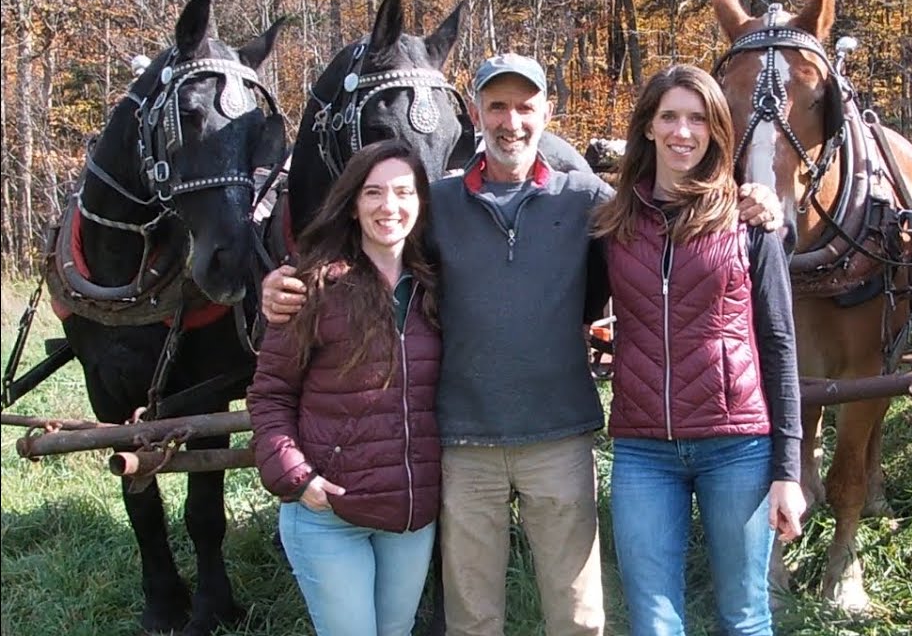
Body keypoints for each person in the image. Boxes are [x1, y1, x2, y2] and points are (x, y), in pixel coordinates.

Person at [261, 53, 784, 636]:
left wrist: (756, 200)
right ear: (475, 115)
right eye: (497, 107)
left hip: (559, 437)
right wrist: (288, 279)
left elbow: (670, 227)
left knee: (578, 618)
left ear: (546, 113)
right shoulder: (437, 203)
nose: (511, 122)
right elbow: (374, 241)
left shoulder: (587, 199)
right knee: (472, 620)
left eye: (525, 107)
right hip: (464, 442)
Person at [593, 64, 806, 636]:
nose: (682, 132)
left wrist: (787, 470)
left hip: (736, 446)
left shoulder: (749, 221)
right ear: (648, 127)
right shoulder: (615, 226)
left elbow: (780, 344)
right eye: (669, 117)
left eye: (697, 119)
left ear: (716, 130)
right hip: (643, 450)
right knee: (653, 621)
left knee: (745, 615)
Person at [247, 139, 443, 636]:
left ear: (421, 202)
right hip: (329, 512)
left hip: (408, 513)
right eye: (373, 192)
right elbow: (270, 394)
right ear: (353, 205)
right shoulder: (312, 287)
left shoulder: (437, 288)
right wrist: (296, 477)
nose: (389, 206)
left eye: (403, 192)